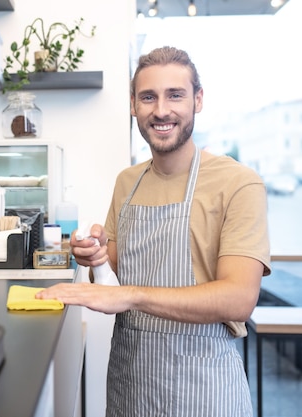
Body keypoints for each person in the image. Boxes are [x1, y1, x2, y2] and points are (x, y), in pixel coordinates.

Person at [36, 46, 271, 416]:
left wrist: (132, 296)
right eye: (148, 97)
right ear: (133, 105)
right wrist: (95, 257)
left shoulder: (238, 183)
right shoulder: (127, 182)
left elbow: (239, 299)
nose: (161, 110)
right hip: (131, 387)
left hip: (204, 389)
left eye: (175, 95)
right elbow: (110, 287)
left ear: (198, 99)